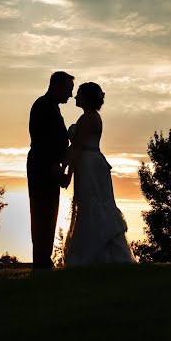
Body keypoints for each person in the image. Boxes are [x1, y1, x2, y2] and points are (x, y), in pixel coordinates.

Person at [61, 82, 137, 266]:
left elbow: (77, 146)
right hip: (87, 162)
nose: (75, 97)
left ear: (87, 97)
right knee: (89, 203)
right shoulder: (88, 117)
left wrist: (65, 171)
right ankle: (100, 254)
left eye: (79, 94)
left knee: (92, 204)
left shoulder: (89, 118)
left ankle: (92, 255)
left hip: (89, 165)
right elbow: (77, 148)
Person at [26, 71, 74, 270]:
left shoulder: (52, 107)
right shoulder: (42, 106)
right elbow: (41, 139)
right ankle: (41, 261)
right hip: (42, 167)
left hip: (50, 166)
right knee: (41, 211)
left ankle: (43, 259)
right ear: (58, 86)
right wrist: (53, 166)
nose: (70, 95)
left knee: (50, 211)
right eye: (68, 89)